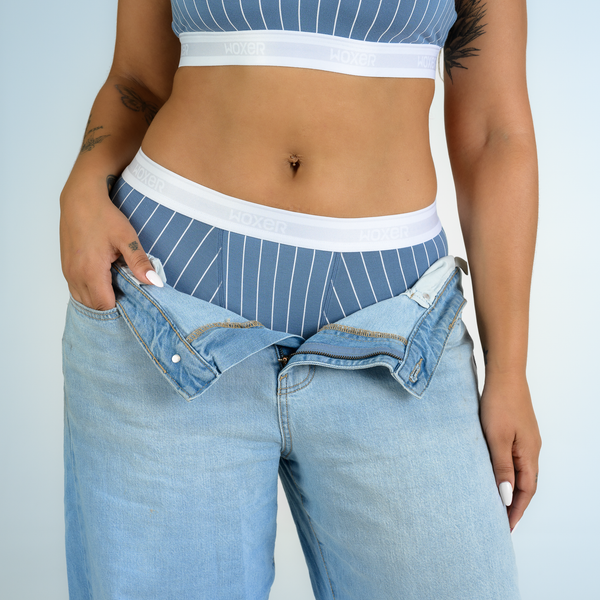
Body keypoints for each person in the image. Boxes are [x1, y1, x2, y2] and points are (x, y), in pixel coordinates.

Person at [59, 0, 541, 598]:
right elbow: (137, 79)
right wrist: (84, 183)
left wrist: (509, 371)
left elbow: (496, 134)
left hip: (397, 334)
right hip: (168, 308)